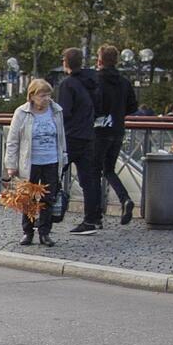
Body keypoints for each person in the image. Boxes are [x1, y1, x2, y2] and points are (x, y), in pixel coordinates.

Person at [4, 79, 66, 248]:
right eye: (42, 95)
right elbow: (13, 140)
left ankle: (45, 233)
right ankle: (28, 231)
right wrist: (11, 164)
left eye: (48, 95)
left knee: (48, 198)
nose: (46, 98)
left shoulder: (56, 111)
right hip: (29, 162)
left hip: (51, 160)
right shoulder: (22, 113)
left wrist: (64, 158)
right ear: (32, 96)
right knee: (27, 198)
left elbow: (61, 138)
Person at [59, 47, 103, 236]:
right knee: (89, 180)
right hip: (88, 134)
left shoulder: (67, 84)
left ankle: (46, 215)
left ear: (66, 62)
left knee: (54, 174)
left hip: (70, 136)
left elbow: (64, 112)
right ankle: (93, 218)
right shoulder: (92, 81)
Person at [95, 44, 138, 226]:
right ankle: (124, 199)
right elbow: (133, 106)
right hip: (118, 130)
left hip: (99, 130)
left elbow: (92, 104)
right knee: (109, 170)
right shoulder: (124, 81)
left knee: (93, 172)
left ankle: (94, 213)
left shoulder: (96, 80)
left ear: (99, 60)